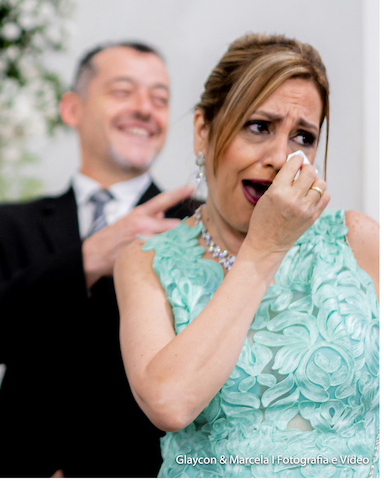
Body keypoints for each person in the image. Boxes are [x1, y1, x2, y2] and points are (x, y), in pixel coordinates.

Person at [116, 33, 379, 477]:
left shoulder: (358, 241)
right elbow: (169, 403)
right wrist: (264, 249)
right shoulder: (146, 261)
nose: (280, 157)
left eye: (303, 137)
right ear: (203, 131)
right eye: (259, 127)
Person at [0, 41, 198, 477]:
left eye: (159, 99)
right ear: (72, 109)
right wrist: (89, 257)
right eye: (123, 91)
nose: (145, 109)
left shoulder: (197, 225)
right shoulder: (8, 224)